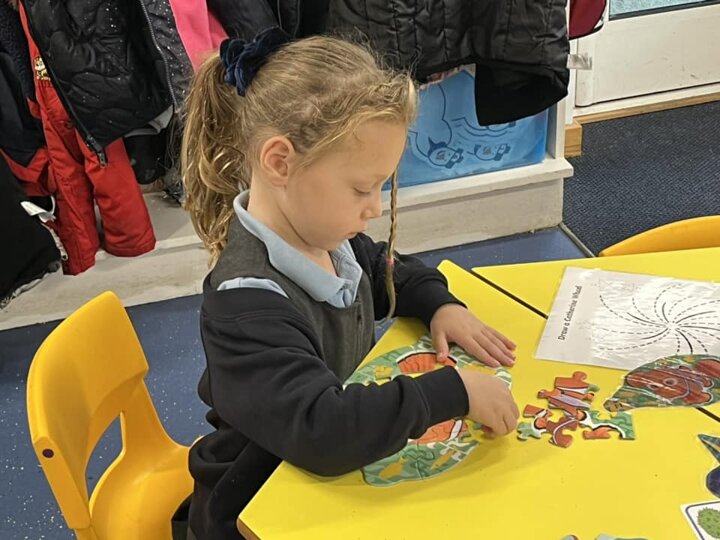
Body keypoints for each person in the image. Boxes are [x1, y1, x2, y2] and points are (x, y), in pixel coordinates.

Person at [180, 27, 520, 540]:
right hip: (255, 506)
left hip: (326, 483)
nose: (376, 207)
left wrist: (438, 304)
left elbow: (386, 268)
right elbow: (323, 428)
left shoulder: (326, 239)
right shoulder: (244, 305)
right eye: (362, 188)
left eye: (381, 186)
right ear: (280, 162)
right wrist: (453, 392)